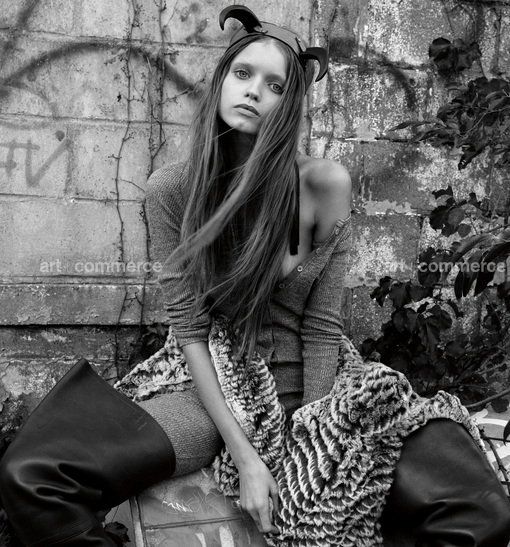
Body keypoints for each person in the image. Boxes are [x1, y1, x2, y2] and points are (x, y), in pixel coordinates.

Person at [1, 5, 509, 547]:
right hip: (213, 390)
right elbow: (190, 330)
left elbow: (322, 326)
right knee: (33, 474)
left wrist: (314, 441)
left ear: (289, 104)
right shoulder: (172, 190)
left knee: (480, 511)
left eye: (275, 85)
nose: (253, 91)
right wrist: (246, 457)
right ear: (222, 79)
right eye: (242, 73)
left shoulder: (324, 184)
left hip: (321, 386)